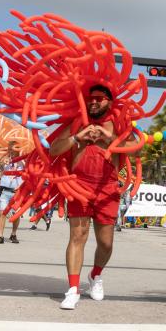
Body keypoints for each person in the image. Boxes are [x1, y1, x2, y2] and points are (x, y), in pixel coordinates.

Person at [54, 85, 125, 310]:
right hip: (79, 186)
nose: (93, 102)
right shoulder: (76, 124)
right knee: (78, 236)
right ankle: (73, 289)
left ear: (110, 102)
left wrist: (108, 136)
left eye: (99, 99)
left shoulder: (119, 125)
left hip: (107, 188)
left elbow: (134, 149)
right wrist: (77, 137)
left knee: (106, 243)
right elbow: (53, 150)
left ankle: (95, 275)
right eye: (90, 98)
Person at [0, 145, 23, 244]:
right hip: (4, 191)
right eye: (10, 149)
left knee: (16, 214)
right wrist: (1, 164)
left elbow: (30, 174)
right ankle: (0, 236)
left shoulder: (23, 162)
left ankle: (13, 234)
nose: (12, 152)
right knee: (2, 213)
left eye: (14, 150)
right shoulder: (4, 160)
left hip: (17, 192)